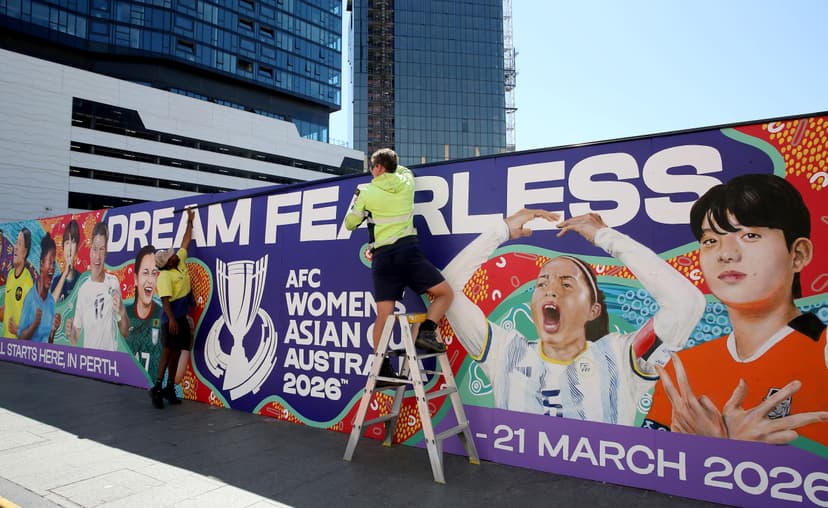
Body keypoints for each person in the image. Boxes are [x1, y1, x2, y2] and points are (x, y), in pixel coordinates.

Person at [442, 209, 706, 425]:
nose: (551, 290)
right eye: (542, 283)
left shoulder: (621, 357)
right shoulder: (505, 350)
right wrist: (501, 231)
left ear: (593, 310)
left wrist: (606, 237)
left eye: (566, 284)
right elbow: (445, 290)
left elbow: (686, 305)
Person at [644, 174, 828, 445]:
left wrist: (731, 448)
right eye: (710, 241)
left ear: (798, 254)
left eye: (750, 235)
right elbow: (652, 459)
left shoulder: (821, 351)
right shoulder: (684, 368)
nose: (726, 253)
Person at [344, 148, 454, 387]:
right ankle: (426, 332)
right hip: (408, 253)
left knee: (384, 315)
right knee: (445, 294)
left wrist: (360, 205)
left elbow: (350, 223)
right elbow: (405, 171)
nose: (371, 171)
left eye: (372, 167)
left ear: (378, 168)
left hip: (383, 259)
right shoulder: (406, 182)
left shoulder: (366, 191)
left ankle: (381, 368)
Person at [151, 208, 196, 408]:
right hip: (171, 320)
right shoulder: (165, 277)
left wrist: (189, 220)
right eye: (171, 256)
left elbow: (186, 241)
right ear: (167, 264)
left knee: (177, 352)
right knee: (168, 352)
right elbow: (166, 300)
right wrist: (171, 321)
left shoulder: (180, 262)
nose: (174, 254)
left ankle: (170, 387)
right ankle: (157, 388)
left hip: (181, 317)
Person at [65, 222, 129, 350]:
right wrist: (70, 333)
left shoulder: (113, 283)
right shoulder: (83, 290)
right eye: (95, 249)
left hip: (109, 360)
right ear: (90, 251)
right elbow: (76, 337)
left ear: (106, 253)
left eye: (102, 249)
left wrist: (121, 310)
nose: (97, 257)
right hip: (90, 361)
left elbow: (125, 332)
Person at [125, 245, 163, 384]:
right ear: (135, 279)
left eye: (154, 273)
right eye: (145, 272)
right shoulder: (124, 315)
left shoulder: (163, 316)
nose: (150, 279)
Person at [18, 234, 61, 343]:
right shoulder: (30, 299)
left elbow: (49, 343)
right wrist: (34, 326)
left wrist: (53, 332)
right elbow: (20, 338)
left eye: (54, 264)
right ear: (42, 264)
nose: (52, 267)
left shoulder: (51, 301)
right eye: (49, 262)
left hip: (43, 359)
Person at [1, 228, 33, 339]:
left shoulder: (27, 281)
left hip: (18, 347)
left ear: (25, 251)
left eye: (19, 244)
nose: (15, 247)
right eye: (16, 243)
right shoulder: (10, 275)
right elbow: (8, 306)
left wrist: (18, 330)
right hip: (5, 345)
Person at [51, 219, 82, 303]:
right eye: (67, 243)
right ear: (63, 248)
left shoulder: (82, 279)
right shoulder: (57, 280)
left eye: (73, 242)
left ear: (77, 248)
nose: (70, 249)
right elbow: (52, 304)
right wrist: (65, 274)